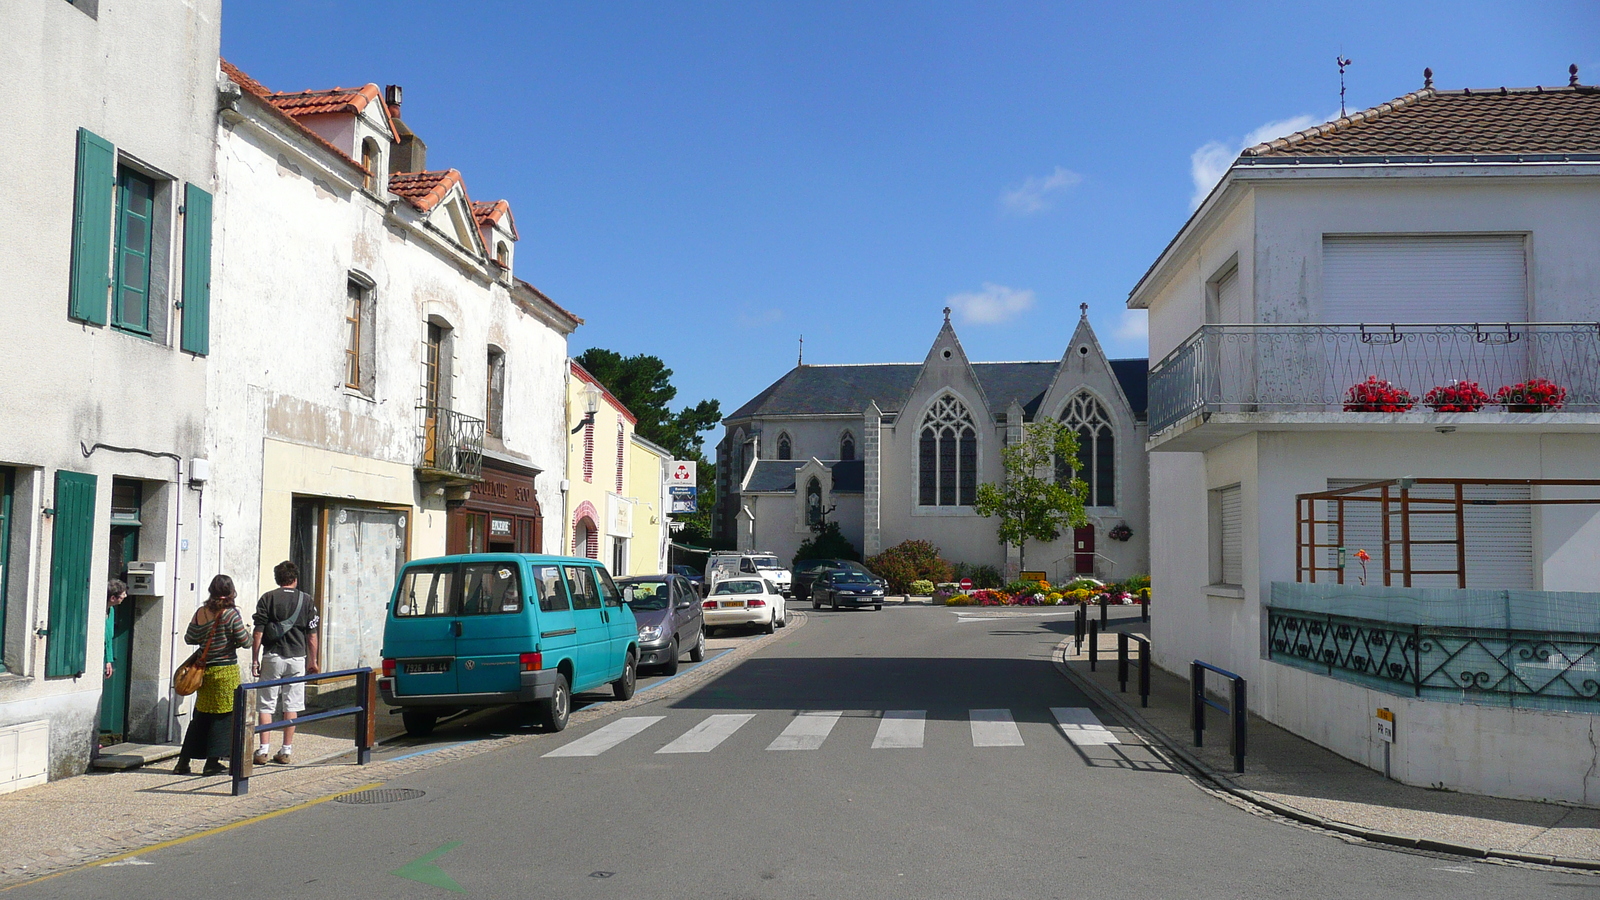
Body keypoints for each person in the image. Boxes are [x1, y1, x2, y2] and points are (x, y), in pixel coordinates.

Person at [175, 575, 251, 776]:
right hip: (225, 671)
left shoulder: (201, 612)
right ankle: (212, 762)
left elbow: (189, 637)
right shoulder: (231, 615)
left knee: (201, 716)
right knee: (223, 717)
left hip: (203, 672)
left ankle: (183, 762)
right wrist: (247, 633)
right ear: (231, 592)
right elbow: (245, 641)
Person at [251, 561, 319, 766]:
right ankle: (286, 750)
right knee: (292, 704)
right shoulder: (306, 600)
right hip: (297, 658)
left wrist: (255, 659)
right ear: (295, 579)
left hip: (272, 655)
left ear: (277, 579)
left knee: (266, 704)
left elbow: (258, 632)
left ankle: (263, 749)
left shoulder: (267, 598)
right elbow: (312, 636)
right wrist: (313, 661)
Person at [103, 579, 127, 680]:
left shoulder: (111, 610)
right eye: (123, 594)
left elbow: (108, 639)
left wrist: (108, 660)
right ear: (113, 598)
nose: (125, 596)